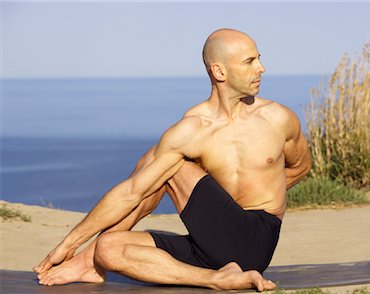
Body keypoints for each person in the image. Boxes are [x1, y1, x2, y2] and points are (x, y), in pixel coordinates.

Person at [33, 28, 312, 291]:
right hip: (210, 246)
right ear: (219, 71)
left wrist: (259, 196)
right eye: (250, 61)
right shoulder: (194, 127)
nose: (261, 68)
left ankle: (84, 262)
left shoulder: (278, 119)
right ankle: (217, 279)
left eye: (259, 59)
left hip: (255, 239)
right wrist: (70, 242)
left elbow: (301, 166)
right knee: (109, 248)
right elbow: (132, 193)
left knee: (163, 162)